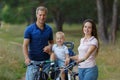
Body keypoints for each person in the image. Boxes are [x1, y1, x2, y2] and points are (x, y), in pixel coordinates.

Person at [23, 6, 54, 80]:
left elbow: (52, 44)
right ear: (36, 15)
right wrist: (26, 58)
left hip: (46, 62)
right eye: (40, 15)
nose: (42, 17)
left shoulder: (49, 29)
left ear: (46, 16)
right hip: (33, 62)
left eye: (44, 15)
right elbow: (25, 45)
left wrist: (49, 47)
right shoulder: (29, 29)